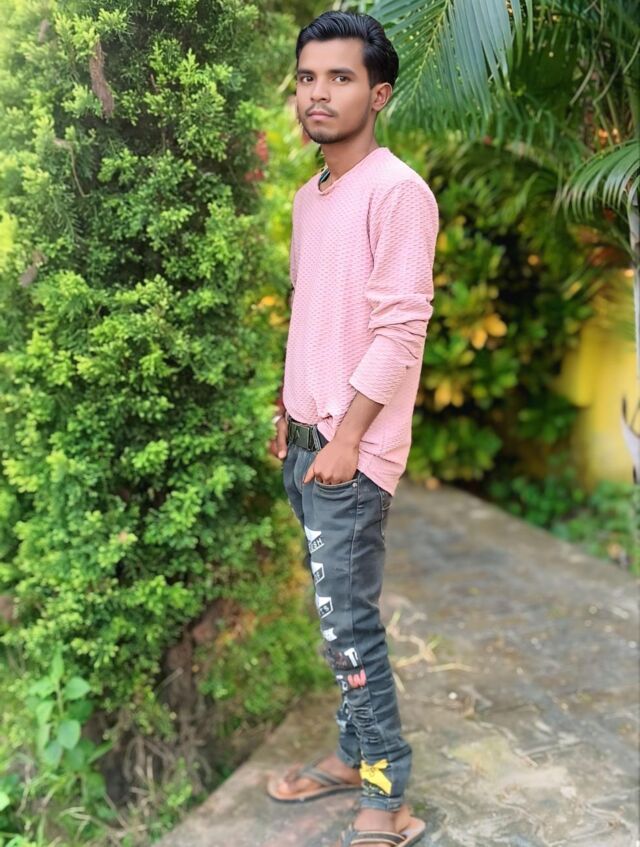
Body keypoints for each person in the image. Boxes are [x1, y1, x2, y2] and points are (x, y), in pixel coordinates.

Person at [266, 10, 438, 847]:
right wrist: (288, 409)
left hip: (351, 455)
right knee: (337, 622)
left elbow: (401, 333)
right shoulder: (311, 198)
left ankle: (387, 796)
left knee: (352, 627)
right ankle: (349, 755)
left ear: (379, 94)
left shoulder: (398, 192)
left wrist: (342, 439)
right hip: (308, 444)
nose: (318, 94)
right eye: (308, 77)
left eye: (340, 77)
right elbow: (314, 315)